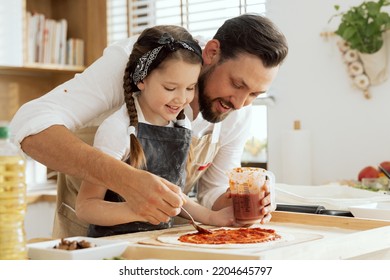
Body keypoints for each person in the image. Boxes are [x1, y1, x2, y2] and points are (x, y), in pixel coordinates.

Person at [10, 13, 288, 237]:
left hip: (163, 243)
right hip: (89, 243)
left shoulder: (236, 108)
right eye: (237, 84)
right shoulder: (143, 62)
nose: (240, 103)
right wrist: (125, 179)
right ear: (212, 52)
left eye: (254, 94)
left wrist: (234, 204)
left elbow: (210, 192)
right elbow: (28, 124)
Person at [75, 26, 235, 237]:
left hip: (155, 243)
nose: (181, 99)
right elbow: (86, 206)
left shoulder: (181, 125)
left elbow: (173, 197)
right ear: (141, 78)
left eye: (190, 88)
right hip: (114, 247)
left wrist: (213, 217)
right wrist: (136, 208)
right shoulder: (117, 129)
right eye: (170, 88)